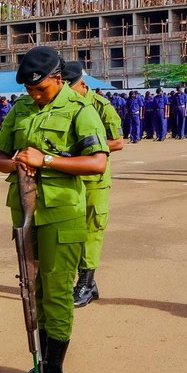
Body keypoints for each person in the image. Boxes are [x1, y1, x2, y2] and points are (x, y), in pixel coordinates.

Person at [0, 46, 109, 373]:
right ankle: (40, 363)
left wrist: (47, 160)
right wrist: (16, 163)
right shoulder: (21, 108)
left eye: (40, 88)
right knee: (33, 288)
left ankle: (54, 370)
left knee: (56, 292)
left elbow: (97, 162)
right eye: (29, 89)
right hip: (25, 210)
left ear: (58, 79)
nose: (34, 95)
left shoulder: (80, 110)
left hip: (62, 213)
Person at [62, 62, 123, 307]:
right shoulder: (62, 105)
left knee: (91, 230)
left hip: (94, 179)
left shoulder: (101, 106)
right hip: (69, 175)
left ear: (83, 84)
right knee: (70, 230)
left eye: (71, 86)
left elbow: (118, 141)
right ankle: (86, 283)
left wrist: (88, 149)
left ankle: (85, 284)